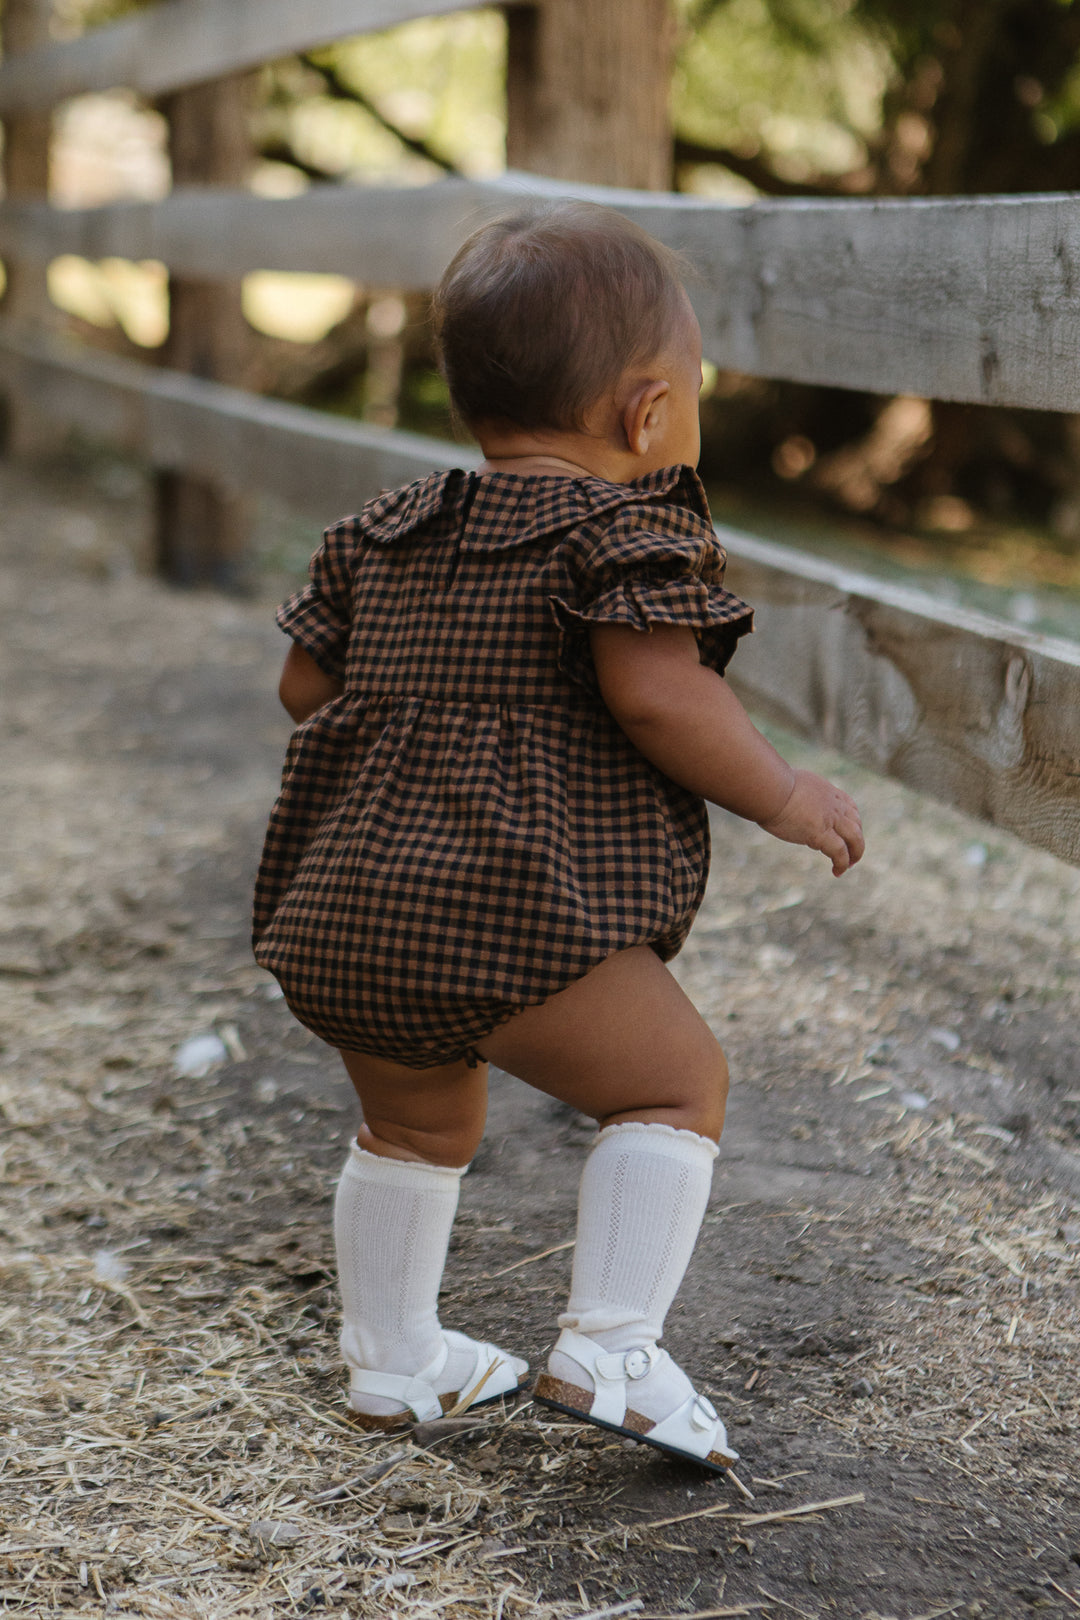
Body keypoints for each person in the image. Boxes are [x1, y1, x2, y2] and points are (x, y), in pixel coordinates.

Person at [252, 203, 864, 1474]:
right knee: (671, 1086)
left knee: (413, 1131)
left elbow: (305, 696)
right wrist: (785, 794)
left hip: (348, 911)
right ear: (648, 416)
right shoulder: (622, 533)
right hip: (513, 911)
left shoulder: (388, 529)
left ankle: (394, 1359)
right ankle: (613, 1349)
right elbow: (659, 693)